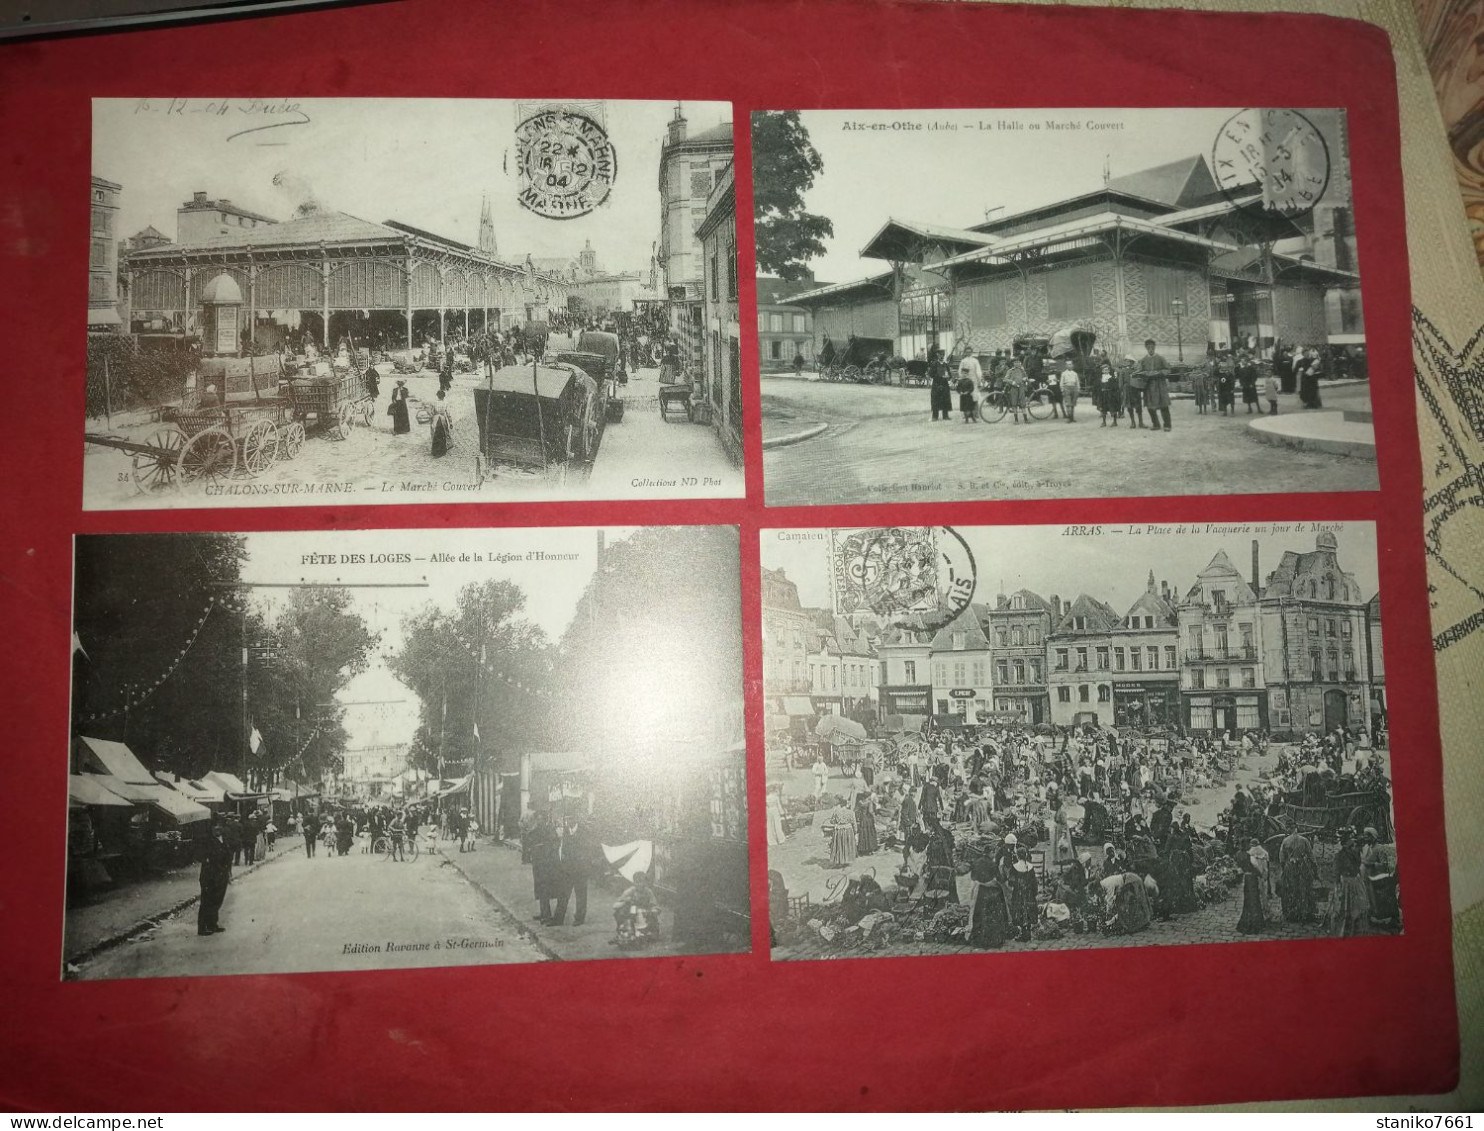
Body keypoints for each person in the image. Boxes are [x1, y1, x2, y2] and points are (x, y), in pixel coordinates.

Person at [554, 816, 599, 926]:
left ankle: (579, 918)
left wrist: (584, 864)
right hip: (568, 869)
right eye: (567, 819)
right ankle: (558, 919)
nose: (568, 821)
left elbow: (589, 850)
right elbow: (563, 848)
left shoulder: (584, 831)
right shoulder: (566, 830)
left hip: (581, 870)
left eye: (571, 818)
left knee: (581, 895)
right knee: (563, 894)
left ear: (576, 819)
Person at [966, 851, 1013, 949]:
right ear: (990, 852)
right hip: (992, 892)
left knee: (979, 913)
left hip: (980, 891)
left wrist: (981, 881)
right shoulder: (992, 864)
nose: (994, 855)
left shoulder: (976, 862)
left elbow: (972, 877)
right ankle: (994, 940)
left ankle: (979, 939)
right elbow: (1000, 878)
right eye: (993, 852)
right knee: (994, 915)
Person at [1331, 829, 1372, 936]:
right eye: (1351, 845)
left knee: (1352, 907)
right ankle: (1349, 928)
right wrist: (1337, 884)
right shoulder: (1341, 855)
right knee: (1350, 907)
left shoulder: (1353, 854)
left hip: (1351, 881)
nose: (1353, 847)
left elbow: (1338, 872)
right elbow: (1336, 872)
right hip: (1349, 882)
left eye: (1353, 845)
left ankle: (1352, 928)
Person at [522, 812, 560, 924]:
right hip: (537, 863)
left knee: (545, 889)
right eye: (538, 820)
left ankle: (547, 915)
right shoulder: (535, 831)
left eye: (541, 820)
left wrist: (546, 850)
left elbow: (555, 844)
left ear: (545, 820)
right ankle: (543, 912)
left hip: (547, 864)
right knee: (539, 888)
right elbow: (528, 842)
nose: (539, 822)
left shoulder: (550, 830)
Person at [197, 822, 233, 936]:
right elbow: (200, 856)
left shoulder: (224, 840)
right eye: (215, 827)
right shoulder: (207, 842)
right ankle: (202, 927)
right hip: (209, 876)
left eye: (219, 826)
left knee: (217, 900)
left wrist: (228, 872)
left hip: (222, 875)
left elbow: (228, 857)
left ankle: (213, 924)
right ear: (211, 829)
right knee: (207, 901)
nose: (217, 829)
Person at [1278, 831, 1319, 923]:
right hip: (1302, 867)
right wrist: (1315, 869)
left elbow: (1281, 857)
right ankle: (1303, 912)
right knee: (1303, 889)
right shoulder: (1304, 840)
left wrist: (1284, 868)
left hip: (1289, 867)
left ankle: (1290, 913)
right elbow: (1311, 855)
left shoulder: (1285, 841)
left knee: (1290, 889)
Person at [1139, 339, 1172, 432]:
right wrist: (1146, 373)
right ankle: (1156, 424)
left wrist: (1159, 373)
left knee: (1164, 405)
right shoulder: (1143, 360)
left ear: (1155, 347)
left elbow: (1168, 369)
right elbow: (1140, 372)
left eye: (1152, 347)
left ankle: (1167, 425)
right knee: (1150, 406)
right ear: (1146, 348)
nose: (1150, 349)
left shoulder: (1160, 358)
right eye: (1148, 347)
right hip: (1149, 386)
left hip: (1160, 385)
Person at [1237, 838, 1267, 934]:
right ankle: (1255, 924)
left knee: (1248, 900)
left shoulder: (1238, 855)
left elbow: (1240, 868)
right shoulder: (1249, 855)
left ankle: (1246, 922)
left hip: (1246, 878)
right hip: (1252, 879)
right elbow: (1255, 867)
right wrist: (1261, 874)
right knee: (1254, 900)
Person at [853, 781, 879, 855]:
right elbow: (871, 811)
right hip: (868, 819)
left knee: (863, 834)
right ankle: (870, 849)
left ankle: (863, 849)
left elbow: (856, 810)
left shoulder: (860, 802)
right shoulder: (869, 802)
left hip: (862, 819)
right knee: (870, 834)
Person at [957, 351, 982, 422]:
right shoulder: (963, 361)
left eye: (969, 352)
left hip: (973, 380)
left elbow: (978, 371)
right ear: (965, 353)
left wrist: (979, 379)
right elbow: (960, 370)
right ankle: (966, 415)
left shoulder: (975, 361)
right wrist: (961, 377)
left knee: (974, 397)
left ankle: (975, 413)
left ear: (971, 352)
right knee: (965, 398)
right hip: (965, 381)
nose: (968, 353)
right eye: (967, 352)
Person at [928, 348, 952, 421]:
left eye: (943, 355)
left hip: (944, 384)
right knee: (935, 399)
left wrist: (948, 377)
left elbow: (950, 374)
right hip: (936, 383)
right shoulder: (934, 364)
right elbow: (930, 374)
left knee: (945, 398)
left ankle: (945, 416)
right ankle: (935, 416)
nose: (942, 356)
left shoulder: (946, 364)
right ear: (937, 355)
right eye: (940, 355)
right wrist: (938, 376)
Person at [429, 389, 453, 458]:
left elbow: (431, 412)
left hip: (435, 419)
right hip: (442, 419)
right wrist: (450, 422)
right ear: (443, 396)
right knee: (442, 434)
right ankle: (442, 450)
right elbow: (448, 414)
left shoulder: (434, 402)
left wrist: (431, 420)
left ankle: (435, 451)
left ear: (437, 396)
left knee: (435, 435)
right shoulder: (445, 403)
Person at [1005, 357, 1029, 424]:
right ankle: (1016, 420)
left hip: (1021, 388)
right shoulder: (1010, 371)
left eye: (1018, 362)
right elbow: (1005, 379)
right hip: (1014, 388)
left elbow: (1026, 377)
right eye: (1015, 362)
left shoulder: (1022, 370)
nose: (1017, 363)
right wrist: (1012, 382)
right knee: (1014, 404)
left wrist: (1025, 379)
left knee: (1023, 403)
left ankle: (1026, 419)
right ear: (1013, 363)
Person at [1058, 358, 1081, 422]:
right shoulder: (1064, 374)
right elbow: (1061, 383)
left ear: (1072, 365)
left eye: (1070, 364)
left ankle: (1072, 417)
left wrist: (1078, 389)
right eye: (1068, 364)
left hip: (1074, 388)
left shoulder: (1075, 374)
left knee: (1073, 403)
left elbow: (1077, 382)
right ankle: (1069, 417)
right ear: (1066, 366)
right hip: (1066, 388)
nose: (1069, 366)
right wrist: (1062, 390)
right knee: (1068, 404)